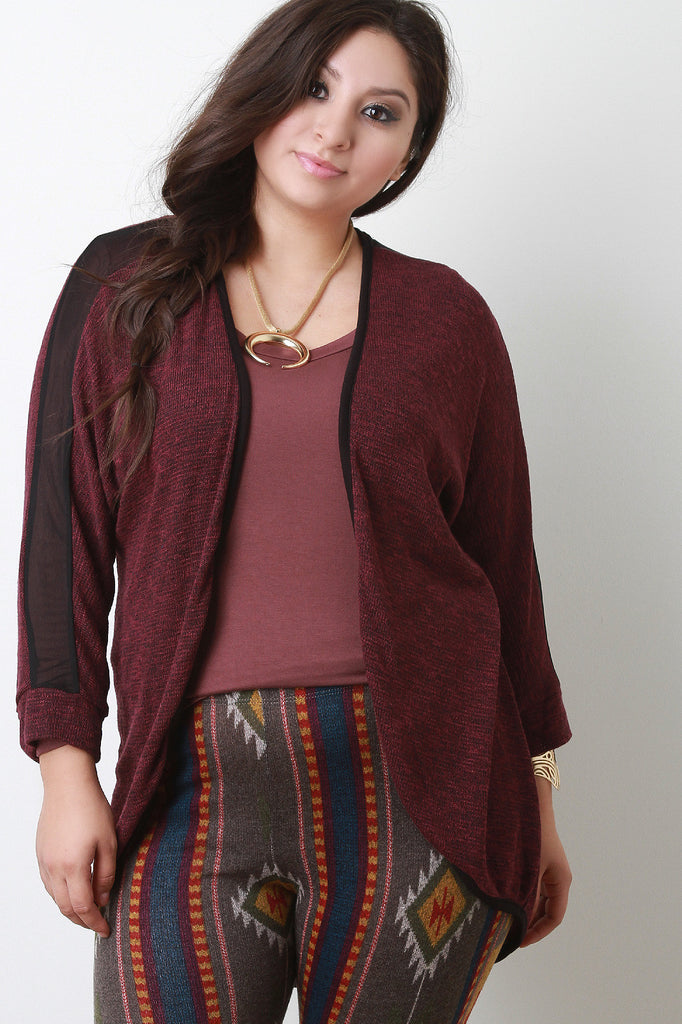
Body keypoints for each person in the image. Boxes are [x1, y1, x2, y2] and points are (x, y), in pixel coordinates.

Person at [17, 1, 572, 1021]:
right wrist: (65, 766)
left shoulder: (447, 320)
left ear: (408, 153)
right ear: (262, 89)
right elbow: (64, 544)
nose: (335, 129)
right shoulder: (124, 287)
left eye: (380, 112)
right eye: (316, 88)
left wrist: (537, 791)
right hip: (188, 783)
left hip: (423, 788)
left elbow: (503, 563)